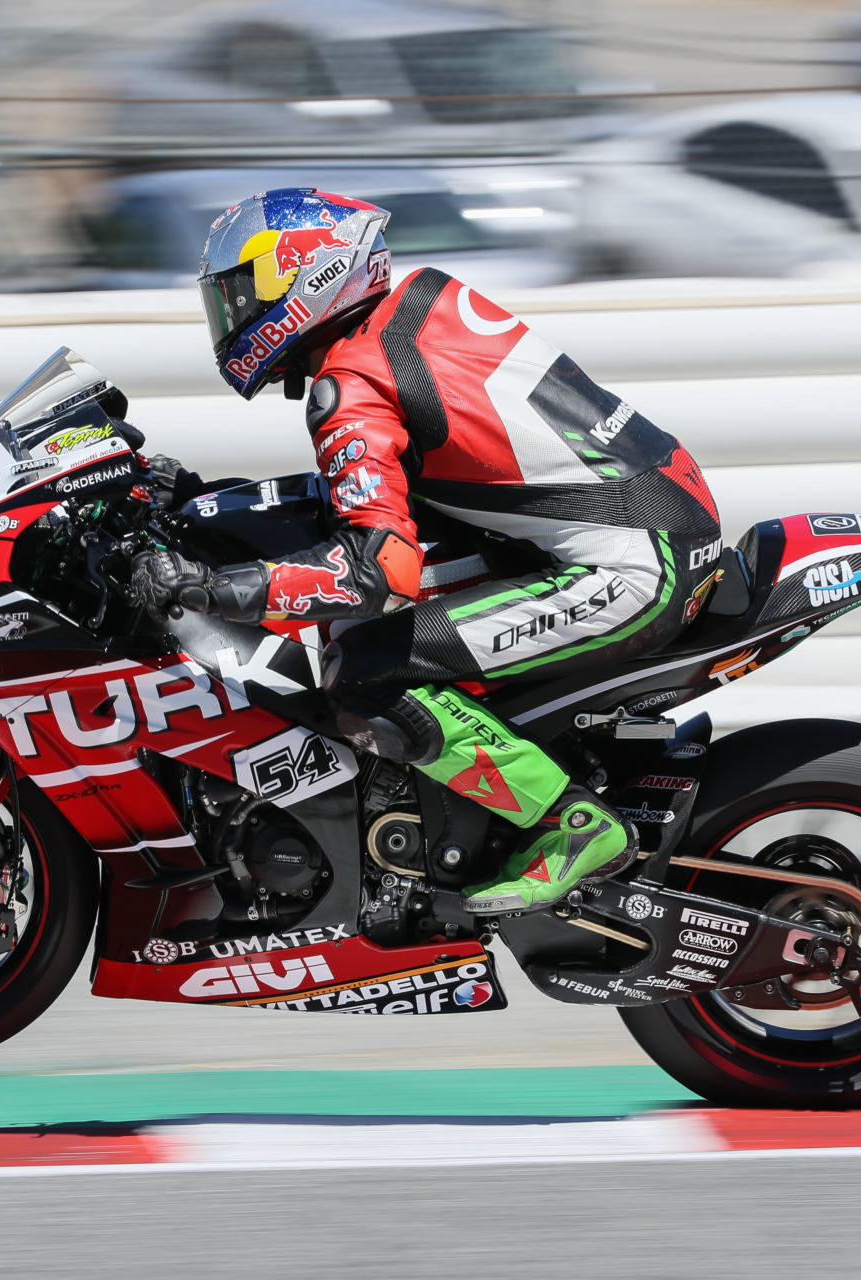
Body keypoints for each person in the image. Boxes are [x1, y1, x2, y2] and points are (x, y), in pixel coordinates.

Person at [133, 188, 722, 915]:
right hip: (659, 521)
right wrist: (204, 500)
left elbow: (377, 571)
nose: (231, 317)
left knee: (366, 667)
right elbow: (360, 493)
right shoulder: (415, 305)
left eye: (241, 293)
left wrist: (214, 590)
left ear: (302, 275)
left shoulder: (350, 381)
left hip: (632, 568)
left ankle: (568, 824)